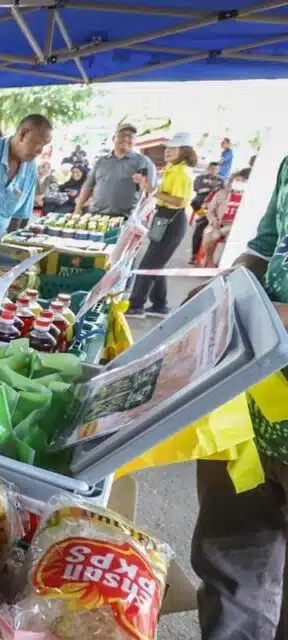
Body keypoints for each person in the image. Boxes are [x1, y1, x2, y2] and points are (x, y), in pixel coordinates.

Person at [188, 153, 288, 640]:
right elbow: (265, 249)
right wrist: (229, 284)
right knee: (230, 573)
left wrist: (273, 319)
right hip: (250, 420)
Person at [125, 133, 197, 318]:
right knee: (157, 263)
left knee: (148, 263)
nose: (168, 152)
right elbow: (160, 193)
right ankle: (159, 305)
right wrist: (146, 186)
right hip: (164, 217)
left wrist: (154, 191)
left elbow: (179, 200)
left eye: (173, 149)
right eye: (167, 148)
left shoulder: (181, 172)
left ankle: (136, 305)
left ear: (185, 151)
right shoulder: (172, 169)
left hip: (172, 219)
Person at [0, 114, 53, 236]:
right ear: (23, 134)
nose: (40, 151)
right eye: (38, 143)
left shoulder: (30, 169)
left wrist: (10, 245)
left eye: (44, 146)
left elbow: (19, 216)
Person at [74, 123, 156, 218]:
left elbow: (151, 194)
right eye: (122, 135)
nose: (125, 139)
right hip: (96, 216)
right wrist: (78, 208)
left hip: (125, 219)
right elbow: (88, 186)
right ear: (113, 139)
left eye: (130, 136)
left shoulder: (143, 161)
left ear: (135, 141)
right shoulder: (100, 161)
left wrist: (143, 184)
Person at [201, 168, 251, 268]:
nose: (239, 183)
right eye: (238, 180)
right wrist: (213, 220)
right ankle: (210, 262)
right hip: (218, 223)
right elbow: (210, 210)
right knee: (209, 234)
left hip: (234, 225)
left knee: (229, 239)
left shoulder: (249, 197)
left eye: (243, 181)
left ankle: (222, 265)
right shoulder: (222, 193)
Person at [189, 161, 226, 264]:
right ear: (208, 168)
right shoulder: (200, 178)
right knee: (200, 224)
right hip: (202, 203)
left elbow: (222, 193)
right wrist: (211, 190)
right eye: (212, 168)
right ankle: (194, 254)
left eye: (216, 169)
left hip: (215, 209)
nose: (214, 171)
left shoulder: (221, 180)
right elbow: (198, 189)